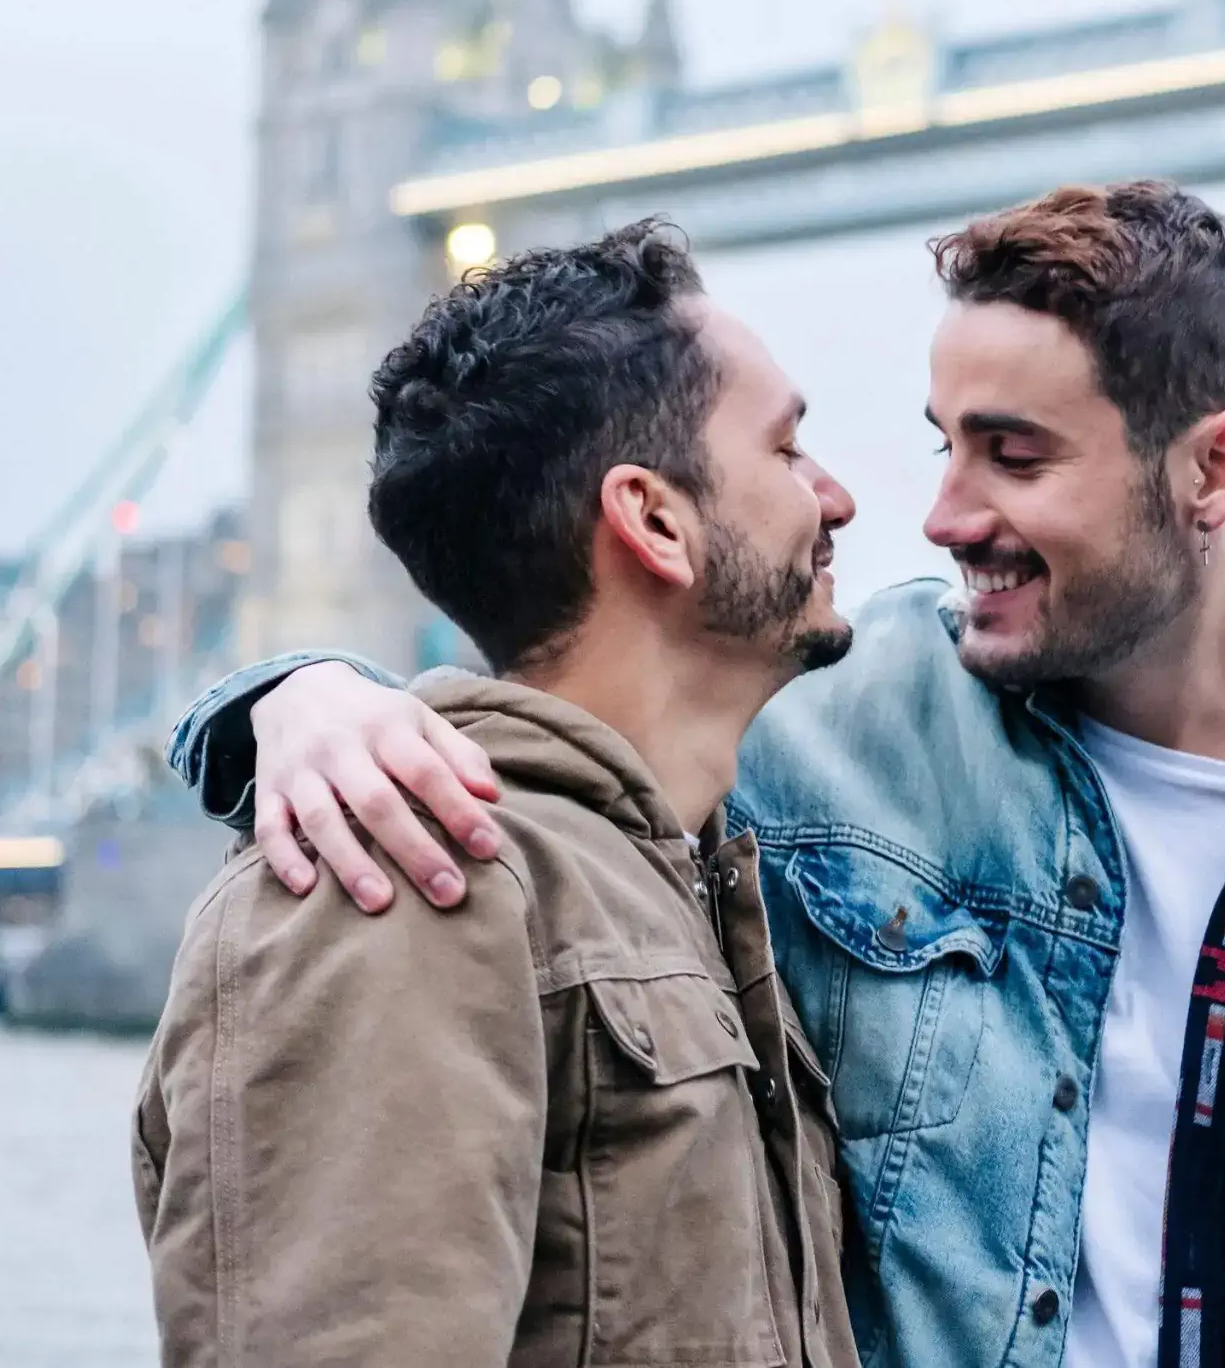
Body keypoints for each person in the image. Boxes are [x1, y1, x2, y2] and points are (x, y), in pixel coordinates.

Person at [172, 180, 1225, 1367]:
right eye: (939, 442)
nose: (934, 513)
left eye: (1015, 454)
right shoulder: (824, 726)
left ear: (1221, 467)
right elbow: (563, 705)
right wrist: (298, 702)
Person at [135, 223, 861, 1366]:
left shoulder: (685, 875)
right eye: (787, 452)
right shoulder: (395, 884)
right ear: (655, 521)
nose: (840, 498)